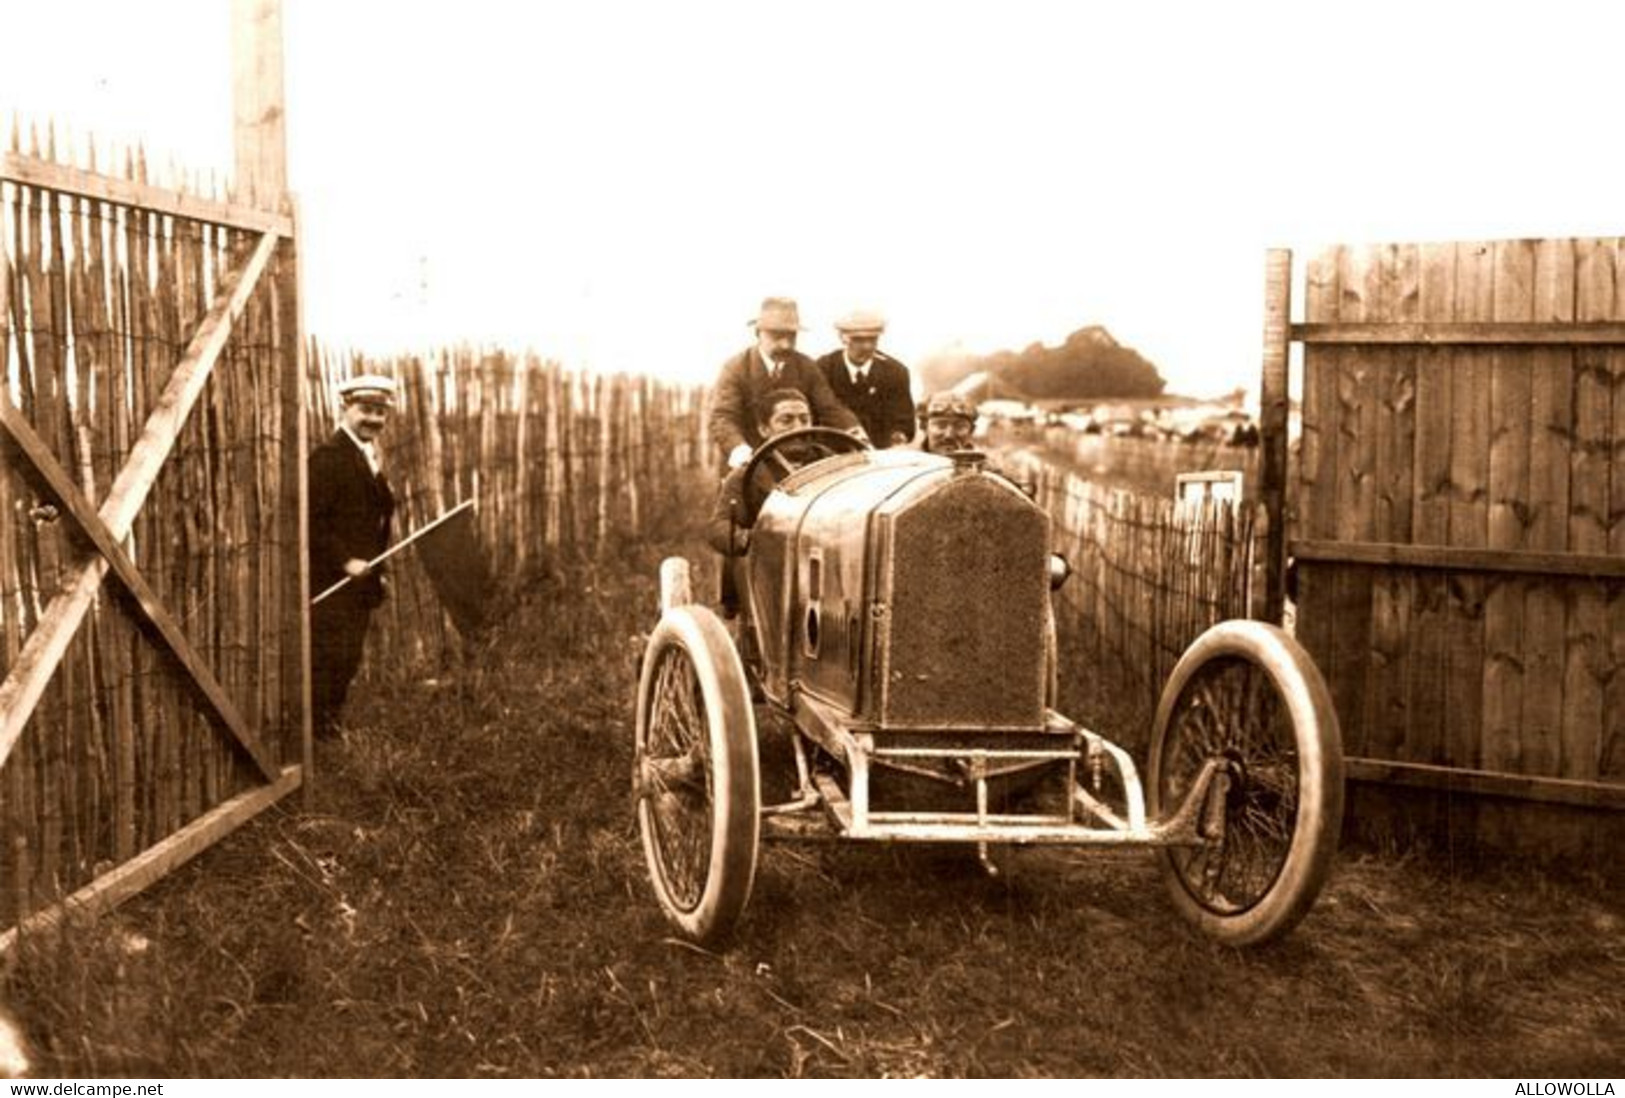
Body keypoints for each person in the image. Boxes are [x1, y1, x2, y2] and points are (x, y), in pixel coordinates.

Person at [308, 373, 398, 740]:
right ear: (346, 409)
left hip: (358, 582)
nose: (374, 419)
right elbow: (310, 521)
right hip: (331, 580)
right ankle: (318, 738)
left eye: (381, 412)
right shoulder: (329, 458)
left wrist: (378, 570)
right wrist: (345, 561)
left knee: (346, 660)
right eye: (366, 410)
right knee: (329, 660)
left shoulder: (366, 456)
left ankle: (328, 732)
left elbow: (371, 522)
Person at [707, 297, 860, 469]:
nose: (786, 344)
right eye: (777, 337)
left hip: (795, 463)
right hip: (749, 466)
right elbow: (723, 417)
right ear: (758, 333)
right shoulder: (736, 368)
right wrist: (738, 448)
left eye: (792, 337)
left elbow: (830, 407)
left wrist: (854, 432)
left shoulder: (806, 367)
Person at [707, 387, 814, 557]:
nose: (799, 428)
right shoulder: (748, 474)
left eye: (805, 420)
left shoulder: (836, 464)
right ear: (764, 429)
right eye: (786, 421)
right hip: (775, 567)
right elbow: (719, 528)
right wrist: (753, 540)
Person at [817, 307, 915, 448]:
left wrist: (898, 437)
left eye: (872, 340)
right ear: (843, 338)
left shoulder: (895, 372)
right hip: (833, 454)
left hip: (880, 456)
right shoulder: (824, 368)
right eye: (859, 340)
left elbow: (904, 421)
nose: (867, 346)